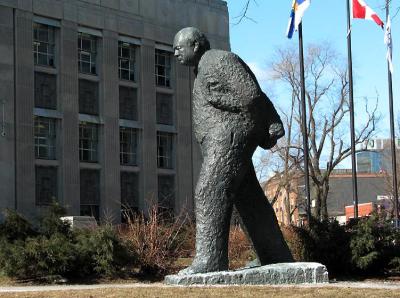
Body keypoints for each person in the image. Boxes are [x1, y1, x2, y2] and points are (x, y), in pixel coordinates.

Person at [173, 27, 293, 275]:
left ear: (195, 45)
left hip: (230, 135)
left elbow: (250, 95)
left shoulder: (219, 59)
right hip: (223, 138)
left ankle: (209, 260)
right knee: (249, 200)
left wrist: (222, 102)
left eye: (178, 48)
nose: (175, 53)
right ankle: (275, 255)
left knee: (210, 191)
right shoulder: (204, 68)